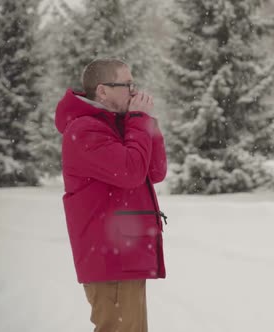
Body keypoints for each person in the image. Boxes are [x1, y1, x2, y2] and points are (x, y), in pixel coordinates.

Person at [55, 58, 167, 332]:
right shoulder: (84, 130)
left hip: (125, 254)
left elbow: (155, 171)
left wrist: (144, 122)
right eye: (126, 84)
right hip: (110, 258)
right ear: (102, 90)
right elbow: (130, 171)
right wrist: (138, 121)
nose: (133, 90)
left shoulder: (121, 124)